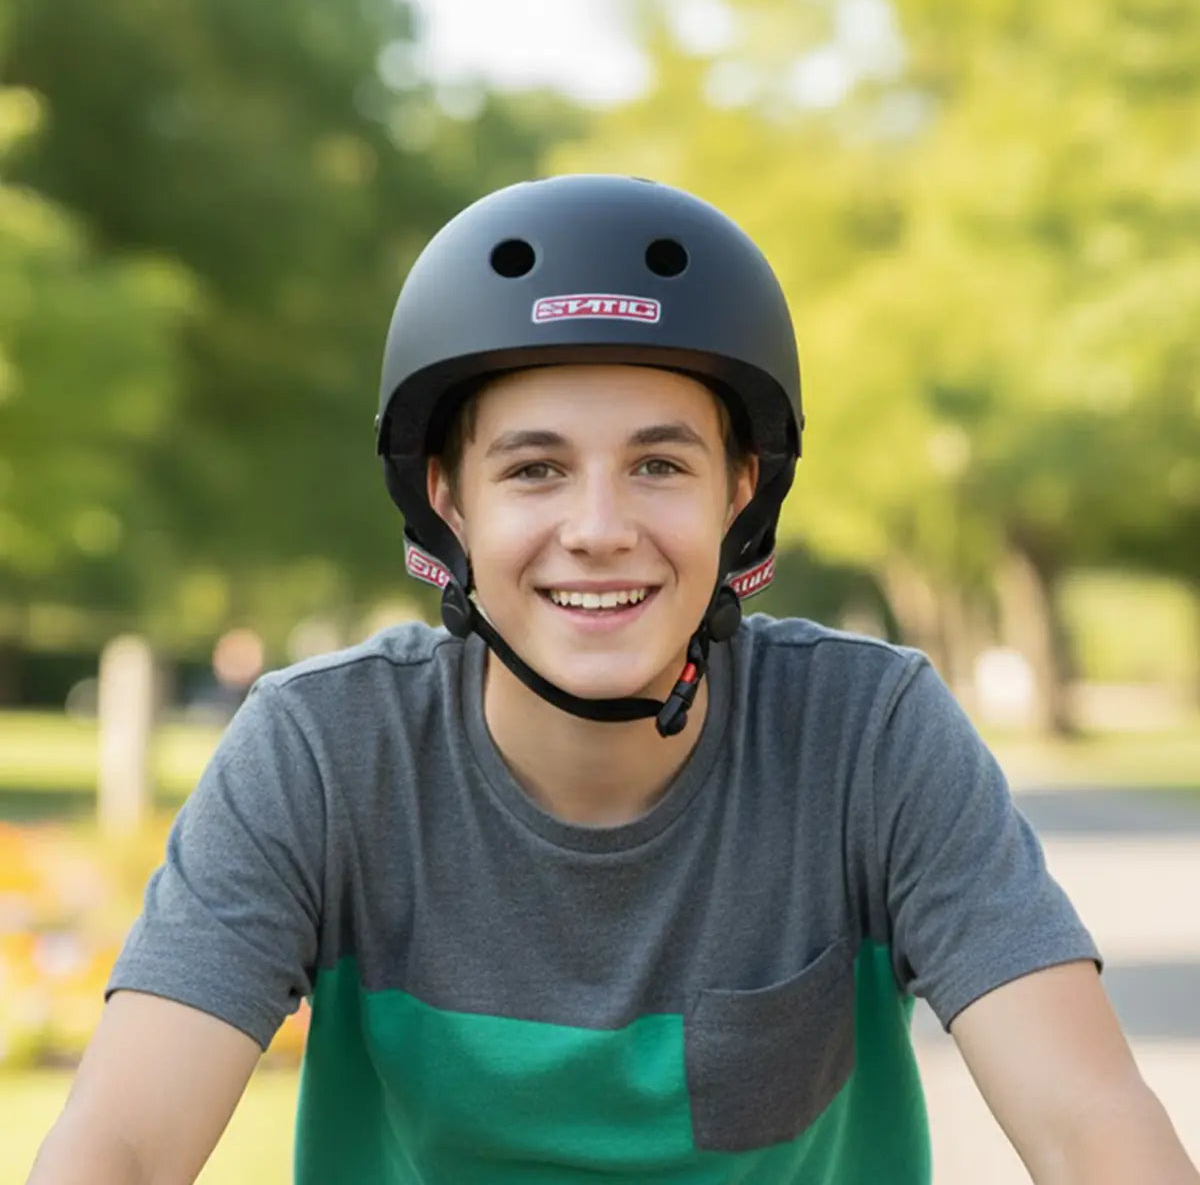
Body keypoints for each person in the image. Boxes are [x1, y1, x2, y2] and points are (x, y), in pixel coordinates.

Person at [29, 175, 1198, 1184]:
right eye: (536, 469)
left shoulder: (870, 736)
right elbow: (121, 1147)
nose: (598, 528)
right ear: (450, 500)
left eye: (658, 464)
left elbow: (1094, 1130)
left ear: (742, 492)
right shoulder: (325, 752)